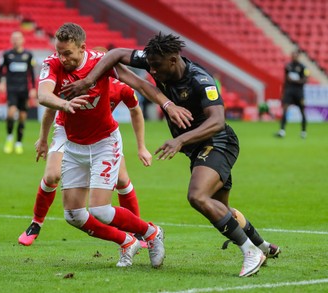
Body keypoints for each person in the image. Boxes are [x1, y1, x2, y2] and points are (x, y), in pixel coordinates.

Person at [61, 32, 281, 277]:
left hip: (218, 142)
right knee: (220, 207)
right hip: (197, 147)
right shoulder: (156, 59)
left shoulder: (200, 80)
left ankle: (250, 251)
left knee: (197, 197)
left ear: (174, 60)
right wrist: (89, 80)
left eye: (156, 67)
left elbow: (218, 121)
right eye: (150, 65)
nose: (152, 71)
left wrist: (180, 140)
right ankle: (264, 246)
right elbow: (115, 55)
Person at [36, 22, 167, 268]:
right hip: (74, 145)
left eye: (68, 53)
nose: (62, 58)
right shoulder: (51, 63)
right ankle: (127, 242)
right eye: (59, 52)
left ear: (82, 47)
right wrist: (64, 105)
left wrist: (167, 105)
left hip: (104, 142)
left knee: (101, 210)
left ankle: (152, 232)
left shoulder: (102, 62)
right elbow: (43, 96)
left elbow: (138, 85)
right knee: (73, 215)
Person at [18, 77, 152, 249]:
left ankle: (137, 231)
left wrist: (141, 147)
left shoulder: (121, 88)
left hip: (101, 136)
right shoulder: (74, 84)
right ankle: (36, 224)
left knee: (122, 180)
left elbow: (135, 111)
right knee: (52, 175)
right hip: (66, 130)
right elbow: (51, 108)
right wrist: (43, 138)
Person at [0, 31, 37, 154]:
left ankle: (18, 143)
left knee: (22, 117)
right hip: (12, 89)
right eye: (14, 38)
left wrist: (33, 88)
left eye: (18, 38)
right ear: (11, 40)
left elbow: (32, 73)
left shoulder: (28, 55)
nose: (16, 40)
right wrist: (0, 82)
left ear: (22, 40)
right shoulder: (7, 55)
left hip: (24, 90)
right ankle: (9, 138)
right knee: (11, 113)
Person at [276, 50, 309, 138]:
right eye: (292, 55)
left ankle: (303, 131)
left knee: (302, 111)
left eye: (295, 55)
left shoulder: (303, 67)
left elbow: (305, 80)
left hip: (299, 92)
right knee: (285, 110)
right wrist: (283, 92)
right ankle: (282, 131)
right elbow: (285, 80)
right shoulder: (288, 66)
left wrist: (295, 80)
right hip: (289, 91)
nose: (294, 57)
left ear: (298, 56)